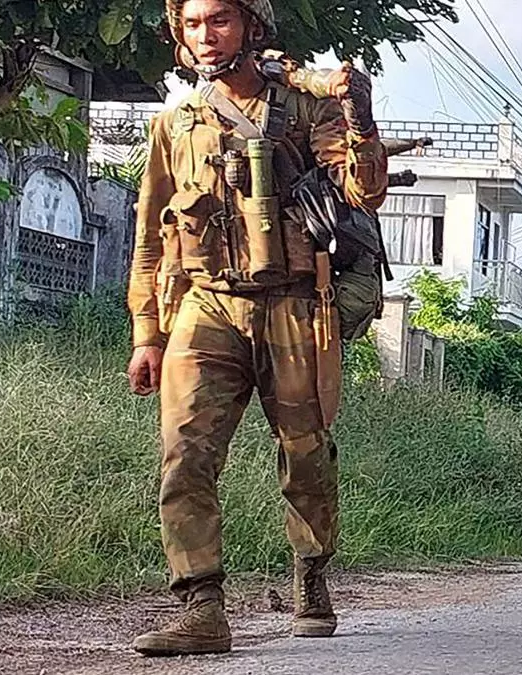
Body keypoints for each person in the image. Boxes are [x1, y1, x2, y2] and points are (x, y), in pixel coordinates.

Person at [126, 0, 389, 656]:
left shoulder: (305, 106)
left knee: (304, 448)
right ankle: (201, 605)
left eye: (219, 19)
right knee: (185, 451)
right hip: (205, 303)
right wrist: (146, 335)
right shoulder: (174, 126)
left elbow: (366, 191)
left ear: (251, 25)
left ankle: (310, 571)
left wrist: (360, 115)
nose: (205, 35)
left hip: (295, 304)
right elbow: (150, 236)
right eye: (193, 24)